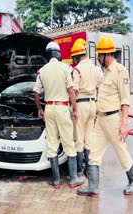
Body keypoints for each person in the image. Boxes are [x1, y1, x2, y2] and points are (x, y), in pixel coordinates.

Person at [77, 37, 133, 197]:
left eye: (99, 55)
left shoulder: (120, 71)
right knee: (94, 153)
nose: (97, 58)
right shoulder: (104, 73)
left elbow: (125, 101)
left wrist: (124, 124)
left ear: (106, 54)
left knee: (121, 151)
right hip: (101, 120)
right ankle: (93, 187)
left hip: (113, 120)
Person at [33, 41, 85, 189]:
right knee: (69, 142)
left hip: (49, 108)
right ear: (58, 54)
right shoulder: (65, 68)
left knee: (52, 144)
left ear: (47, 55)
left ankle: (56, 181)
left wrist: (39, 109)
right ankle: (74, 178)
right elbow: (71, 91)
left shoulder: (42, 71)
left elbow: (36, 93)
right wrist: (74, 110)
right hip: (62, 108)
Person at [70, 39, 102, 177]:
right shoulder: (96, 69)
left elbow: (74, 90)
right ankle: (89, 170)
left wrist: (72, 107)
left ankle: (79, 171)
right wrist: (97, 104)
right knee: (89, 139)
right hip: (92, 105)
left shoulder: (77, 69)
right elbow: (100, 88)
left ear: (77, 56)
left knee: (79, 139)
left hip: (81, 105)